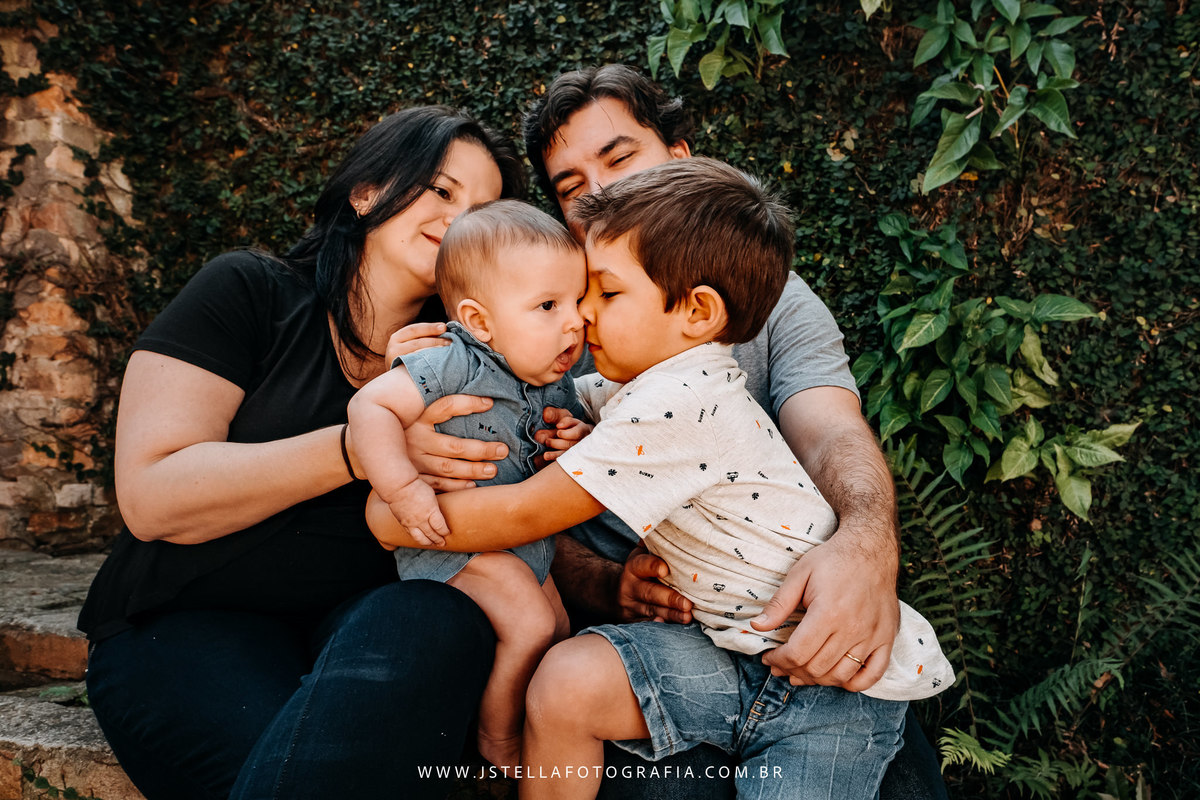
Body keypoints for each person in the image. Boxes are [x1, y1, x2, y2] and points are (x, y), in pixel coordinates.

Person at [371, 158, 954, 799]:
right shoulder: (645, 382)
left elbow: (521, 514)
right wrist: (448, 367)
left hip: (828, 684)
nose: (582, 315)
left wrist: (387, 511)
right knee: (567, 681)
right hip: (725, 655)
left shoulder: (682, 400)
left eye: (606, 292)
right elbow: (525, 391)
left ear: (697, 312)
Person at [519, 65, 950, 799]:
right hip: (667, 644)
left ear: (683, 159)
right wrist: (607, 585)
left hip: (789, 628)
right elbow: (527, 515)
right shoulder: (547, 325)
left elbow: (829, 432)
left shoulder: (773, 302)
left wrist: (867, 544)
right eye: (570, 185)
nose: (597, 191)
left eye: (620, 159)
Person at [75, 106, 526, 800]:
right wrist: (361, 448)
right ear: (368, 190)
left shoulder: (483, 365)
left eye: (484, 208)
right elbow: (151, 495)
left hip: (372, 631)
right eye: (441, 190)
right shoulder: (248, 293)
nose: (460, 219)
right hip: (187, 625)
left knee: (438, 616)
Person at [347, 199, 589, 768]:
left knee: (557, 625)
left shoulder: (552, 374)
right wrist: (404, 489)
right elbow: (370, 406)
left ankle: (531, 723)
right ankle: (497, 737)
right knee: (531, 624)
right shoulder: (456, 358)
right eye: (549, 305)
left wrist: (571, 436)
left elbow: (565, 439)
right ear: (481, 321)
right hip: (450, 537)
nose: (574, 320)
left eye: (577, 301)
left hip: (520, 542)